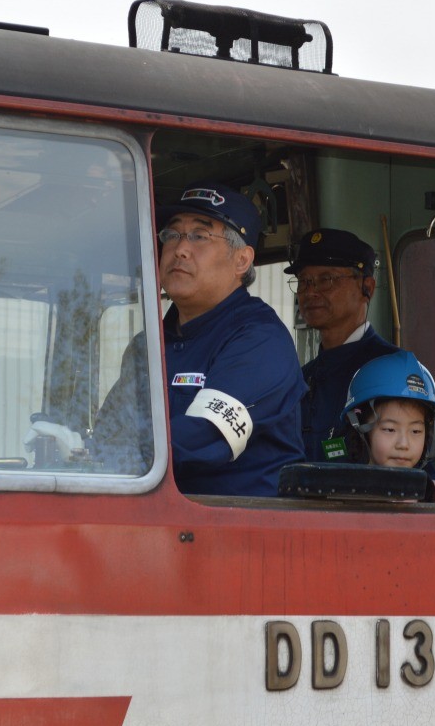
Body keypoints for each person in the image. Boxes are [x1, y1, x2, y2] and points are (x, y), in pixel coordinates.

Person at [89, 181, 306, 496]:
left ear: (242, 260)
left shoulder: (260, 340)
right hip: (153, 516)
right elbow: (108, 432)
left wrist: (109, 458)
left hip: (238, 522)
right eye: (172, 235)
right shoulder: (147, 345)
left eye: (199, 236)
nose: (180, 249)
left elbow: (203, 436)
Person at [288, 228, 400, 462]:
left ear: (367, 287)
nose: (310, 292)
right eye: (304, 281)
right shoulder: (302, 379)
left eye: (326, 280)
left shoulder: (394, 371)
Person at [340, 351, 435, 503]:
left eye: (416, 431)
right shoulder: (339, 496)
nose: (403, 444)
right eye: (390, 429)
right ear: (359, 426)